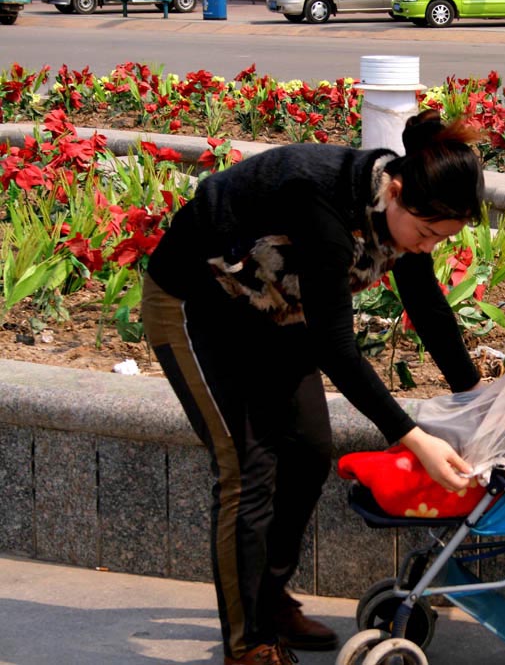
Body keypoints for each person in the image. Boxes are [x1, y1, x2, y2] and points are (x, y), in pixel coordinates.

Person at [141, 110, 484, 665]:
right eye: (424, 234)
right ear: (395, 190)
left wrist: (477, 398)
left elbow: (425, 306)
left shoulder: (402, 214)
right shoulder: (324, 207)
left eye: (439, 240)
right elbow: (335, 348)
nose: (425, 247)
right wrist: (412, 436)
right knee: (247, 466)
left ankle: (271, 600)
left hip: (272, 309)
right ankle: (247, 643)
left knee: (307, 451)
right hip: (194, 304)